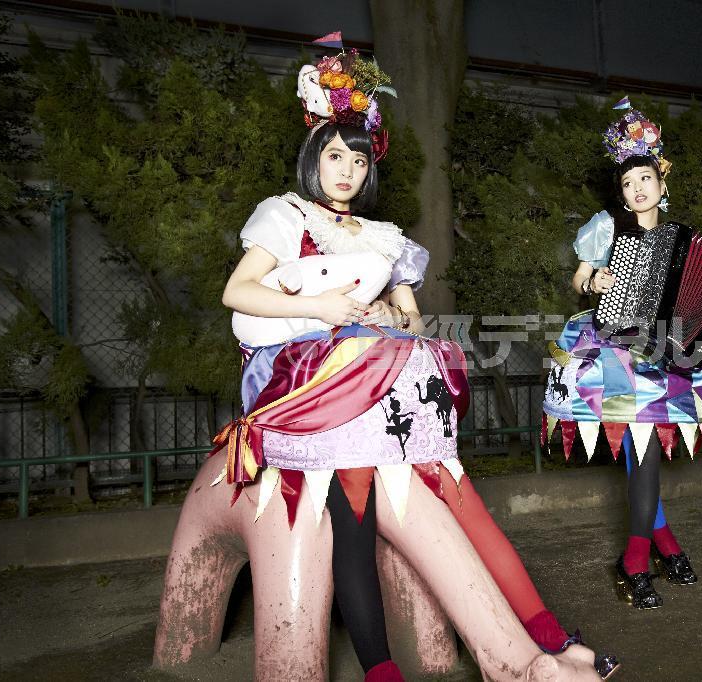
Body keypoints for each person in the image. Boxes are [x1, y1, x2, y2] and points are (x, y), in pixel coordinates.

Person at [216, 44, 615, 681]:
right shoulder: (285, 215)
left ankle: (547, 638)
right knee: (353, 523)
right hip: (311, 382)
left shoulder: (385, 237)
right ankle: (382, 671)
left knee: (459, 495)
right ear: (313, 159)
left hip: (380, 376)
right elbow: (237, 292)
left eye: (357, 158)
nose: (345, 170)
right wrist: (322, 305)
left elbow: (415, 321)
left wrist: (385, 315)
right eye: (333, 156)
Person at [542, 102, 702, 611]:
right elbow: (577, 279)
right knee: (645, 449)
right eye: (629, 181)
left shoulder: (681, 240)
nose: (637, 188)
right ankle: (641, 555)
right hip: (615, 349)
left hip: (667, 353)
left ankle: (655, 545)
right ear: (622, 191)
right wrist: (594, 279)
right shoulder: (605, 229)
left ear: (662, 182)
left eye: (646, 178)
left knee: (646, 451)